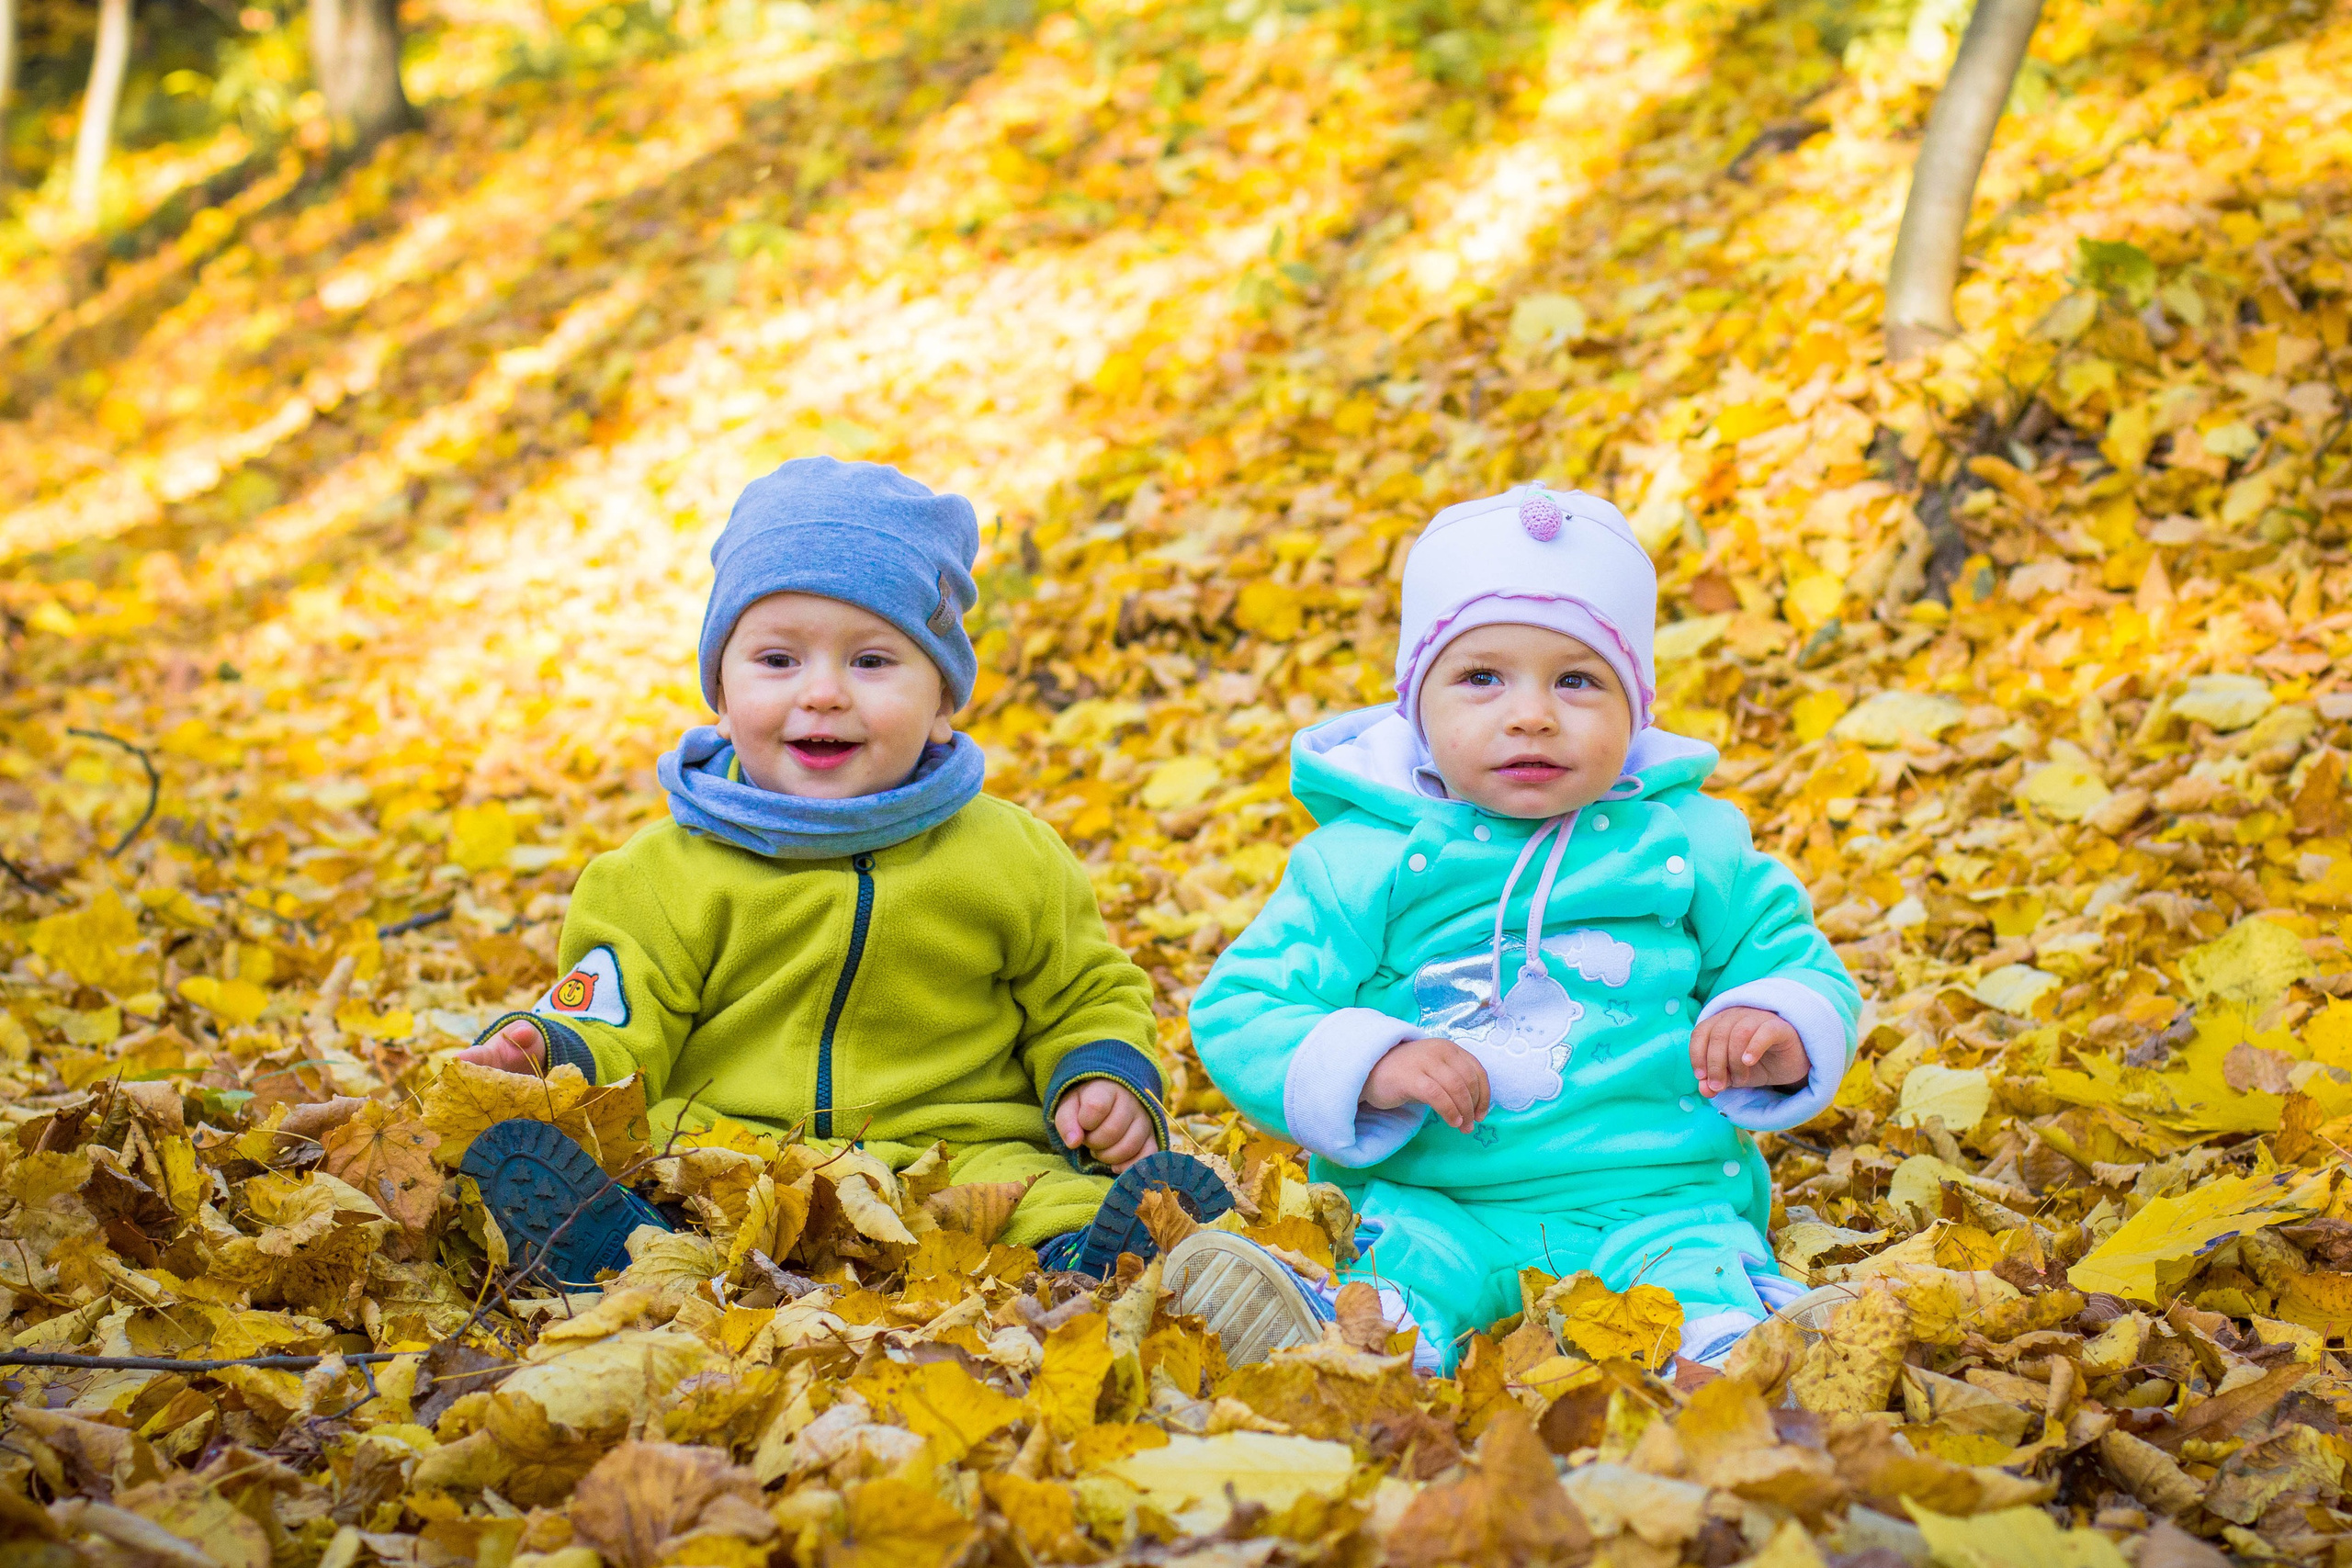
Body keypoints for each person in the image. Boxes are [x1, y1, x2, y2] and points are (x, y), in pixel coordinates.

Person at [453, 457, 1230, 1285]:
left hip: (955, 1152)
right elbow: (619, 1002)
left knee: (1037, 1194)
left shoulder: (1011, 857)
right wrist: (552, 1045)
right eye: (779, 660)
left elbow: (1083, 990)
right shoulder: (660, 872)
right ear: (720, 688)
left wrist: (1100, 1072)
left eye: (871, 661)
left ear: (942, 702)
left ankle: (1093, 1253)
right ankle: (623, 1247)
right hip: (739, 1148)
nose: (823, 692)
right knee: (670, 1169)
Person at [1172, 483, 1858, 1371]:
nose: (1531, 712)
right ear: (1419, 705)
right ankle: (1366, 1338)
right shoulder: (1364, 857)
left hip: (1653, 1193)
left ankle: (1729, 1346)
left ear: (1636, 706)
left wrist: (1780, 1022)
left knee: (1688, 1279)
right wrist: (1368, 1061)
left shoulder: (1687, 838)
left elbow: (1792, 957)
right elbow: (1243, 1005)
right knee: (1403, 1270)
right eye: (1482, 677)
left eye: (1577, 680)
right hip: (1438, 1193)